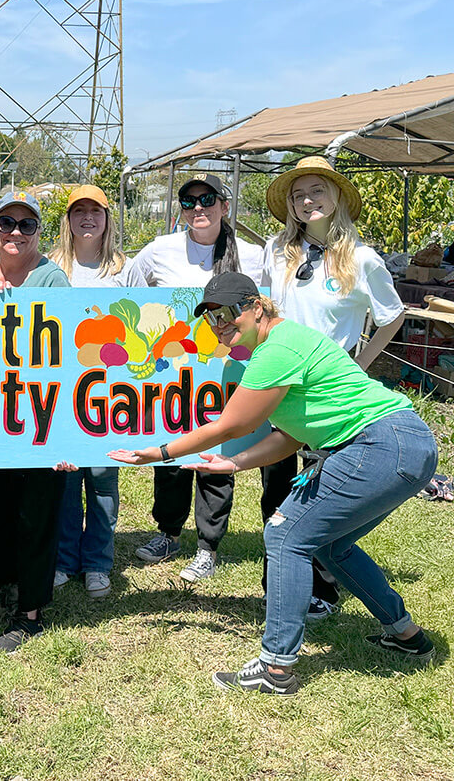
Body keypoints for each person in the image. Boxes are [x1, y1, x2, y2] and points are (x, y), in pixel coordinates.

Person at [111, 271, 436, 695]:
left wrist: (160, 453)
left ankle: (276, 667)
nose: (220, 326)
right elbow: (290, 436)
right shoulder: (281, 345)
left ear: (257, 306)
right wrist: (236, 465)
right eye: (211, 320)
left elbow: (231, 424)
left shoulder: (277, 349)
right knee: (329, 544)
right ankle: (407, 635)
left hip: (379, 443)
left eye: (227, 314)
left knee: (285, 535)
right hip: (405, 445)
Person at [261, 155, 407, 617]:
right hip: (281, 383)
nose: (307, 201)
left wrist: (360, 364)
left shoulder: (362, 259)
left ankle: (321, 592)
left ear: (338, 197)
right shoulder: (277, 250)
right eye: (298, 193)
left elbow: (392, 316)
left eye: (317, 191)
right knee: (276, 486)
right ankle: (279, 587)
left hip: (328, 389)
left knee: (319, 488)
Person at [131, 173, 263, 582]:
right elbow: (131, 291)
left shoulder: (254, 255)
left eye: (208, 199)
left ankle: (208, 546)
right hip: (173, 374)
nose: (198, 208)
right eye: (189, 202)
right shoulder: (159, 251)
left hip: (226, 373)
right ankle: (168, 531)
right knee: (170, 455)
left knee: (212, 457)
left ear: (225, 206)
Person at [0, 191, 71, 651]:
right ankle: (3, 581)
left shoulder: (52, 279)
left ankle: (30, 612)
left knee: (35, 515)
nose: (16, 233)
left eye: (27, 226)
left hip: (38, 417)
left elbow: (62, 351)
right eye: (7, 222)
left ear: (39, 232)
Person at [49, 184, 147, 599]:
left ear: (108, 218)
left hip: (111, 392)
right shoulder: (52, 267)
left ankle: (98, 563)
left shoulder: (125, 269)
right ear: (67, 220)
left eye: (96, 210)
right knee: (68, 480)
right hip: (60, 389)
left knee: (104, 479)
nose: (87, 218)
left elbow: (145, 323)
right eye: (78, 211)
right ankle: (65, 560)